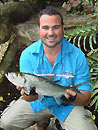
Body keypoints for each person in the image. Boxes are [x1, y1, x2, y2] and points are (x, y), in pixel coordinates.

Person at [0, 6, 97, 130]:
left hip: (67, 106)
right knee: (6, 123)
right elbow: (29, 98)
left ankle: (58, 123)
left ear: (63, 28)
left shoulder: (78, 56)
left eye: (55, 27)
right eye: (45, 28)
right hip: (38, 103)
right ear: (39, 30)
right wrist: (29, 93)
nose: (50, 33)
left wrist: (71, 98)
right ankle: (43, 122)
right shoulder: (28, 55)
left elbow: (86, 98)